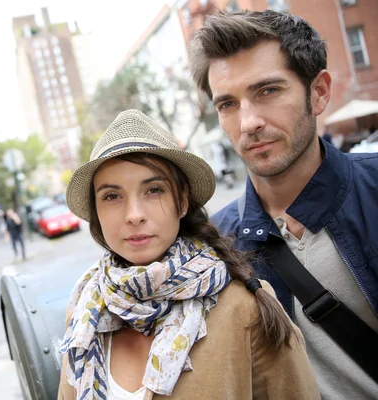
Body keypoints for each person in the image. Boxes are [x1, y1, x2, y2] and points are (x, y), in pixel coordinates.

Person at [58, 110, 319, 399]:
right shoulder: (85, 308)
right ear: (97, 215)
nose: (134, 215)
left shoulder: (245, 307)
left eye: (153, 190)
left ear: (182, 201)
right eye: (112, 196)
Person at [190, 10, 378, 399]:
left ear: (319, 91)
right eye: (228, 104)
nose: (248, 123)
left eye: (267, 91)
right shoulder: (213, 248)